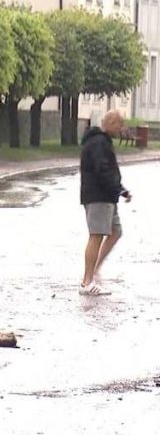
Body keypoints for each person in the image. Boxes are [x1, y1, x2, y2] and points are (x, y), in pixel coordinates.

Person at [79, 109, 132, 296]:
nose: (121, 128)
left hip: (108, 196)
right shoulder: (98, 143)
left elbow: (107, 170)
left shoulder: (102, 141)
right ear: (109, 123)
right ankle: (87, 281)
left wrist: (121, 189)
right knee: (96, 235)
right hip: (98, 196)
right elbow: (102, 170)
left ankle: (93, 270)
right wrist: (117, 188)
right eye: (119, 124)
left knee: (115, 231)